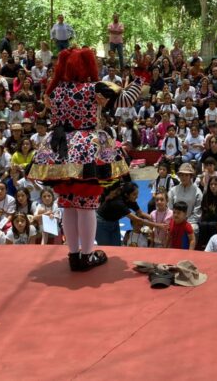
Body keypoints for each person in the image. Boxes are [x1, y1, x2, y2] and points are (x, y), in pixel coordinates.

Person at [28, 48, 141, 271]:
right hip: (87, 148)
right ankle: (87, 255)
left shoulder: (56, 89)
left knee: (68, 203)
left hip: (60, 149)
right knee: (87, 204)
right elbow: (127, 99)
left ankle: (73, 255)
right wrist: (138, 79)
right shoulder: (94, 88)